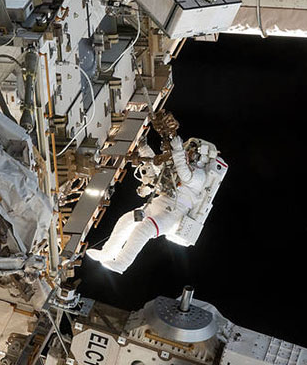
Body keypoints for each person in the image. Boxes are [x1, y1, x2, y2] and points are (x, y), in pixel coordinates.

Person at [86, 112, 226, 273]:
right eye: (190, 149)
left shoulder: (200, 176)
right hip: (159, 203)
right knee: (126, 220)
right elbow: (160, 170)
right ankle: (107, 252)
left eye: (193, 151)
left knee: (143, 230)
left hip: (173, 214)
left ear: (201, 156)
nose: (190, 152)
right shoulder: (181, 163)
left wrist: (178, 150)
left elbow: (185, 175)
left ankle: (122, 264)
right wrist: (144, 148)